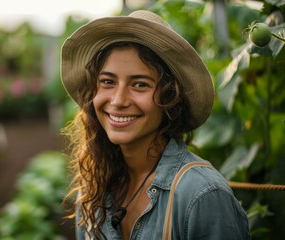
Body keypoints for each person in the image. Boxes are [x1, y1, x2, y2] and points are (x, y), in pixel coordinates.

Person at [61, 10, 250, 240]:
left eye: (140, 84)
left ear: (169, 98)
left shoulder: (200, 195)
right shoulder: (94, 190)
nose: (118, 100)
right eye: (107, 82)